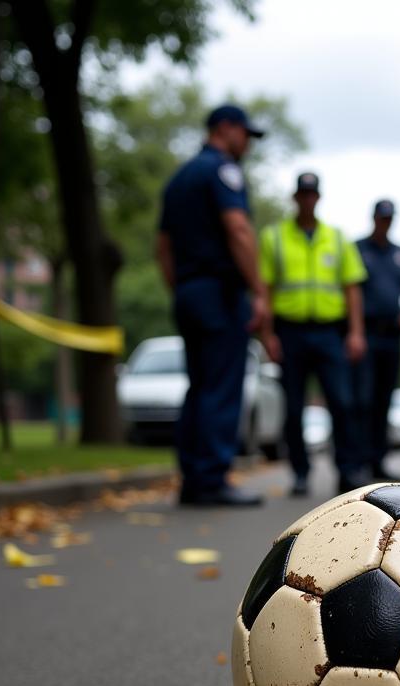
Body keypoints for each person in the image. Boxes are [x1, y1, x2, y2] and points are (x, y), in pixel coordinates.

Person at [156, 104, 270, 506]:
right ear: (225, 129)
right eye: (246, 135)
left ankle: (193, 477)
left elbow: (163, 248)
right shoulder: (222, 170)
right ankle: (212, 479)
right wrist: (258, 291)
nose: (248, 146)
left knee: (199, 385)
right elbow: (238, 228)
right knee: (221, 386)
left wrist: (182, 289)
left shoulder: (179, 180)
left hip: (189, 291)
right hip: (220, 292)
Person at [259, 173, 367, 497]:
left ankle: (347, 470)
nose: (307, 200)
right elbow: (265, 288)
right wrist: (267, 334)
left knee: (342, 402)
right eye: (302, 194)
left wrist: (356, 332)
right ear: (295, 198)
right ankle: (300, 473)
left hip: (329, 333)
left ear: (318, 198)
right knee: (293, 407)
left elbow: (352, 289)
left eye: (312, 195)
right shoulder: (274, 237)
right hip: (289, 331)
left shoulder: (336, 238)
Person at [354, 200, 400, 481]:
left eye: (390, 219)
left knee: (384, 399)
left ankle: (378, 461)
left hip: (392, 336)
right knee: (362, 398)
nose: (386, 223)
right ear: (373, 219)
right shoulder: (358, 249)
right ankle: (359, 460)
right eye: (382, 218)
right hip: (366, 334)